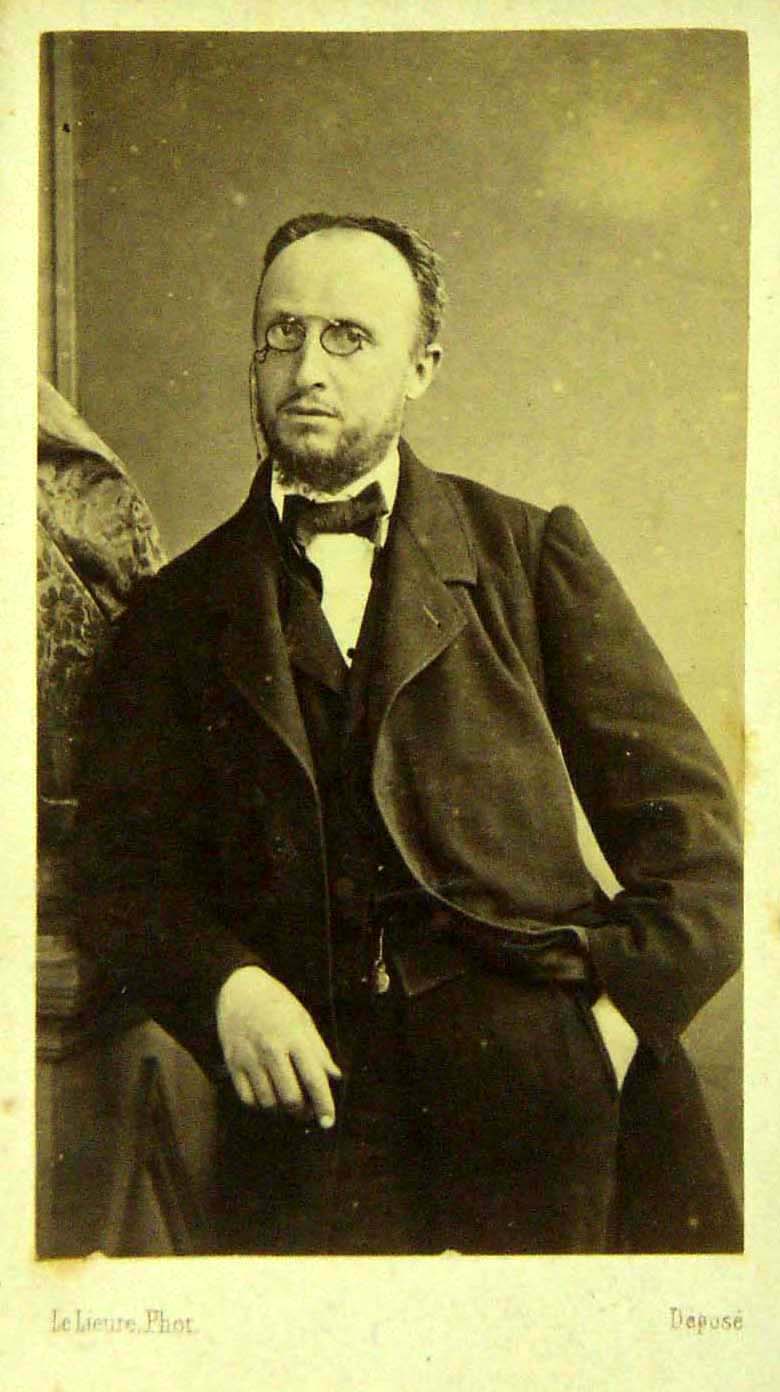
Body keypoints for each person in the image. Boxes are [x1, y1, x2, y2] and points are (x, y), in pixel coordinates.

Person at [75, 213, 742, 1255]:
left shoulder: (527, 554)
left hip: (556, 1112)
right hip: (312, 1130)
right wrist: (226, 988)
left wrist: (605, 1034)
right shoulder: (175, 612)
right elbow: (121, 874)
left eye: (349, 337)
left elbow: (700, 851)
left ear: (422, 366)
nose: (307, 369)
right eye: (282, 334)